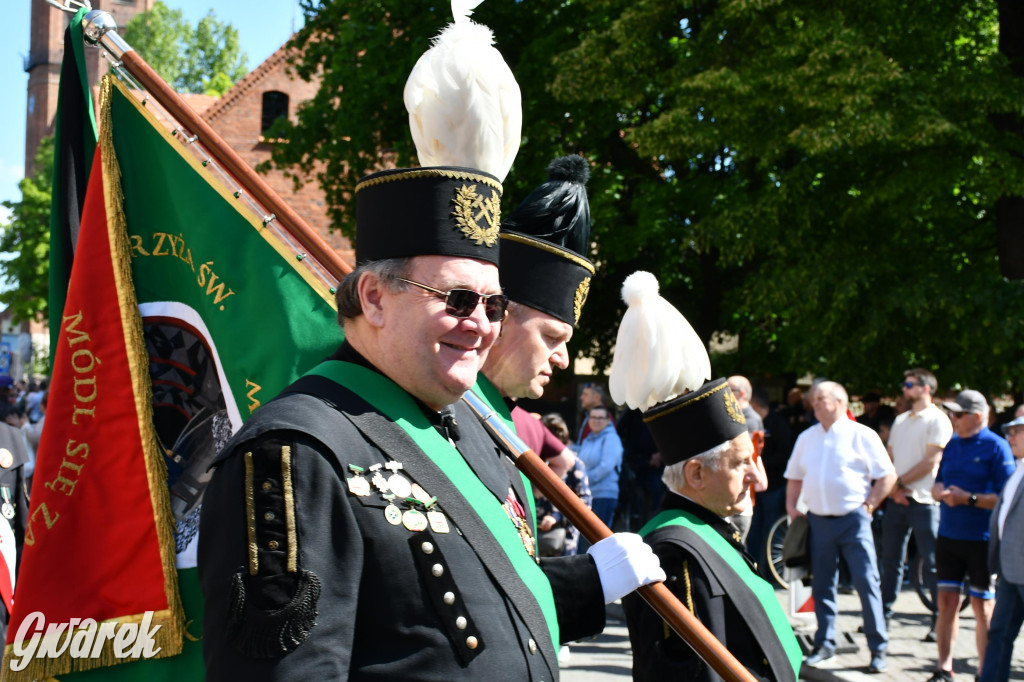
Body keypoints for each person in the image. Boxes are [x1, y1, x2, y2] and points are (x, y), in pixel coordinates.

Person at [199, 25, 664, 674]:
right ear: (374, 297)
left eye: (494, 304)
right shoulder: (294, 454)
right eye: (456, 300)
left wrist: (584, 584)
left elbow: (472, 621)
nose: (481, 324)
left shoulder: (472, 434)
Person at [620, 380, 802, 681]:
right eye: (742, 463)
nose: (757, 478)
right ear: (696, 474)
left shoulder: (710, 530)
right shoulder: (673, 553)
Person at [785, 381, 896, 674]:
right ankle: (824, 644)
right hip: (818, 520)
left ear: (840, 401)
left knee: (866, 582)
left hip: (853, 519)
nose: (814, 403)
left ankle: (878, 649)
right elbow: (794, 476)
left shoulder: (862, 435)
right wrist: (791, 506)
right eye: (813, 399)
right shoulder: (807, 437)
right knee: (822, 585)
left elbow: (887, 476)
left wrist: (869, 505)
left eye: (820, 398)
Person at [927, 390, 1016, 682]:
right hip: (949, 534)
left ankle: (983, 672)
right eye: (950, 413)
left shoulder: (997, 447)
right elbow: (939, 481)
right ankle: (944, 667)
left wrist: (970, 499)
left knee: (982, 606)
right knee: (946, 602)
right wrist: (938, 490)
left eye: (957, 414)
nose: (951, 419)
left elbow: (1007, 498)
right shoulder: (952, 445)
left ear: (977, 416)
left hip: (981, 539)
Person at [880, 368, 953, 643]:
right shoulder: (900, 421)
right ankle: (883, 617)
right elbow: (889, 457)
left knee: (932, 564)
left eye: (908, 384)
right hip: (898, 500)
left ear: (925, 388)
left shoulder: (938, 420)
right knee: (891, 561)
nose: (904, 389)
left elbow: (931, 462)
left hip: (923, 501)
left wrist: (896, 484)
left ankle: (939, 620)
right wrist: (894, 488)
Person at [978, 416, 1024, 682]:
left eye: (1018, 432)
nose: (1011, 438)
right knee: (999, 634)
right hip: (1009, 570)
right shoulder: (1017, 469)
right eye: (1010, 432)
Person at [746, 387, 794, 581]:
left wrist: (761, 464)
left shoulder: (778, 423)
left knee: (770, 530)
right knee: (755, 530)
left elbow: (785, 454)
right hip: (757, 489)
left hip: (774, 486)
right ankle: (755, 570)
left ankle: (771, 574)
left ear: (755, 404)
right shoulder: (755, 423)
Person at [577, 405, 623, 528]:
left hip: (603, 495)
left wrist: (583, 482)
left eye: (601, 418)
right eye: (593, 417)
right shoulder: (588, 439)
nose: (596, 421)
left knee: (596, 539)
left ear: (608, 420)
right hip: (587, 495)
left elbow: (605, 467)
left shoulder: (611, 438)